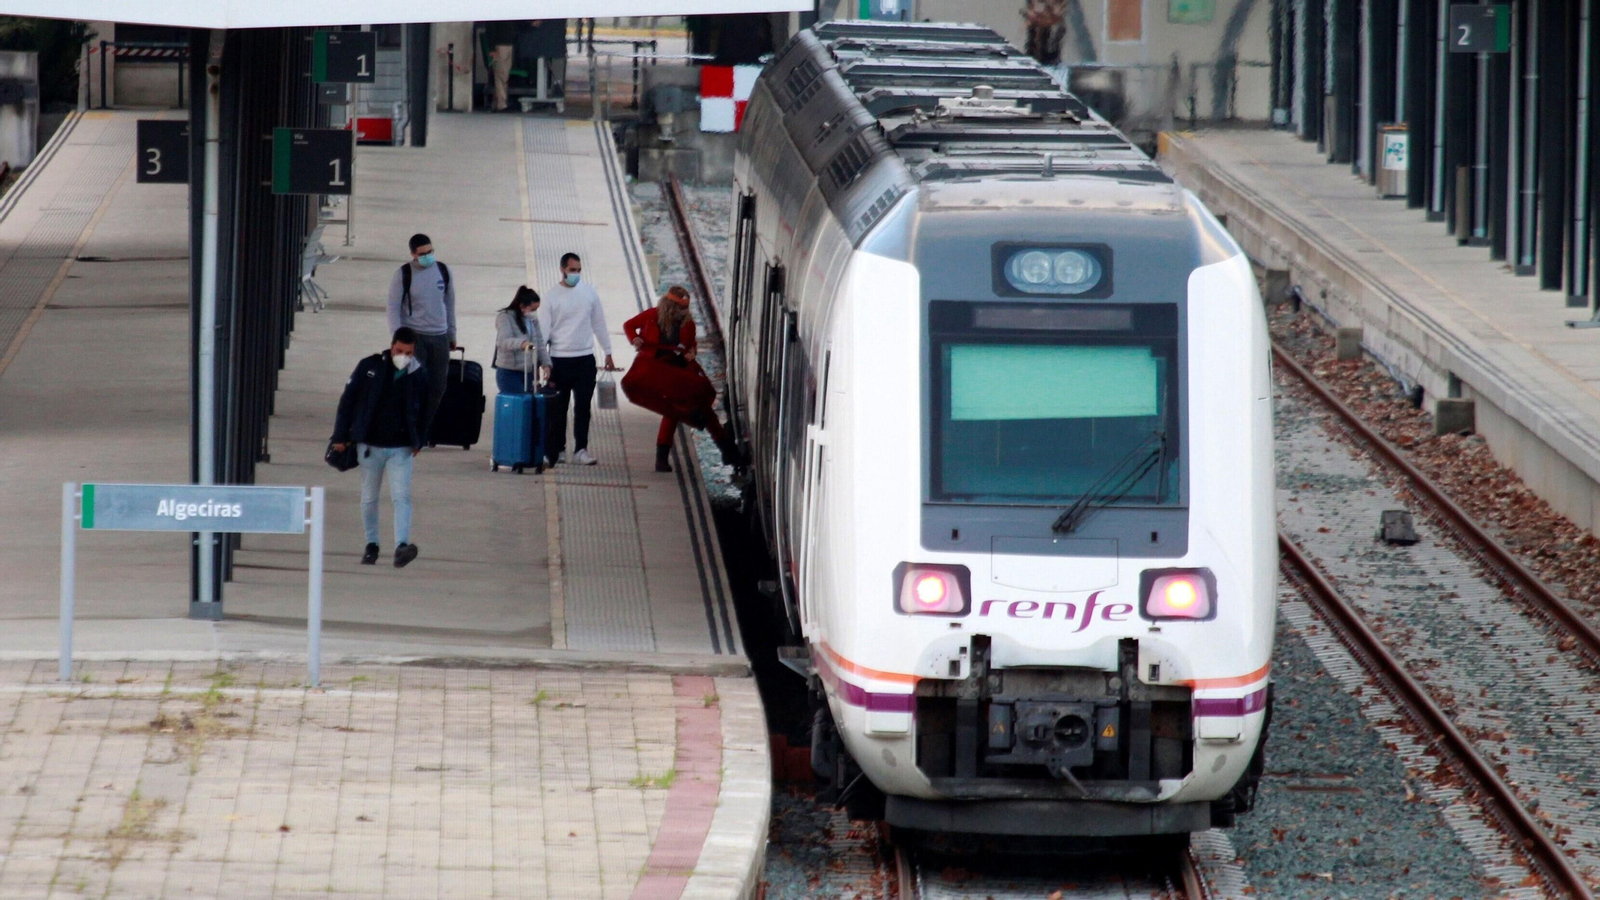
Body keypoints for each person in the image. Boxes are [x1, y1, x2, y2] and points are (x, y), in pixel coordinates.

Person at [331, 327, 427, 568]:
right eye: (399, 350)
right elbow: (348, 401)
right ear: (391, 346)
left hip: (401, 448)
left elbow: (426, 409)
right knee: (369, 497)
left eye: (408, 352)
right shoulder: (369, 367)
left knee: (401, 496)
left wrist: (420, 439)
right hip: (369, 446)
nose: (403, 356)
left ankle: (401, 546)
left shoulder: (418, 374)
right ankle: (371, 545)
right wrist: (340, 436)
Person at [623, 286, 741, 472]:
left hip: (677, 368)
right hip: (655, 369)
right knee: (673, 412)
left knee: (700, 408)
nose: (684, 312)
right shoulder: (652, 315)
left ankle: (727, 450)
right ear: (670, 306)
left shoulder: (688, 323)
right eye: (680, 308)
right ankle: (726, 450)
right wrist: (635, 339)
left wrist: (691, 352)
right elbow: (629, 325)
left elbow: (690, 344)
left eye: (686, 308)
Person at [543, 252, 615, 466]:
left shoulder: (589, 293)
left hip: (585, 359)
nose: (576, 274)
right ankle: (559, 448)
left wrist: (608, 351)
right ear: (562, 269)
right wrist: (544, 361)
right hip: (559, 359)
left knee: (583, 407)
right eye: (572, 270)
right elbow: (543, 333)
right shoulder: (551, 297)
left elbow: (599, 323)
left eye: (578, 270)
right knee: (559, 408)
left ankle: (581, 449)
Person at [386, 233, 457, 438]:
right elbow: (392, 306)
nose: (427, 256)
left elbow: (450, 304)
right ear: (413, 254)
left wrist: (452, 333)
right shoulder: (403, 274)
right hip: (414, 337)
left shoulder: (443, 271)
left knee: (437, 387)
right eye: (422, 253)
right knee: (408, 385)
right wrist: (397, 337)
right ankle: (404, 428)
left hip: (440, 337)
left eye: (430, 252)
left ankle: (422, 431)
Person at [493, 286, 552, 393]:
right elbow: (503, 341)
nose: (534, 313)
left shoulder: (532, 320)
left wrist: (545, 364)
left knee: (527, 403)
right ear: (522, 306)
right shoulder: (505, 318)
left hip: (527, 371)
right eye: (532, 309)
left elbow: (539, 343)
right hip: (509, 371)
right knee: (517, 403)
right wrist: (522, 344)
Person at [485, 20, 517, 112]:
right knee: (501, 75)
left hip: (504, 44)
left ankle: (497, 103)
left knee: (502, 74)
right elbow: (490, 29)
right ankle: (501, 104)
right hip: (501, 45)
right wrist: (492, 48)